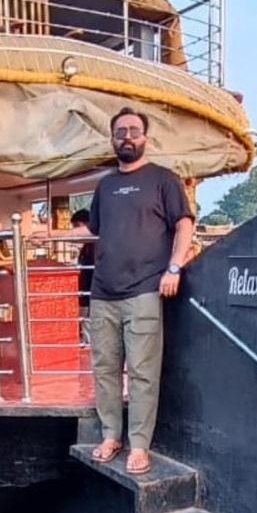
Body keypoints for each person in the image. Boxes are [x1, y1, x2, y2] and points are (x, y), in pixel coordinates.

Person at [87, 107, 195, 474]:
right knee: (104, 369)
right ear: (112, 139)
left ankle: (139, 445)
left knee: (142, 372)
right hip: (102, 292)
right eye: (120, 132)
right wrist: (47, 235)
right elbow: (97, 230)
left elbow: (184, 225)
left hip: (145, 290)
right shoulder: (105, 185)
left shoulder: (163, 179)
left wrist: (174, 267)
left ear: (145, 137)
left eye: (134, 130)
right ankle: (110, 436)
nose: (128, 137)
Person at [69, 207, 94, 345]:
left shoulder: (94, 246)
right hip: (86, 291)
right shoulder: (87, 247)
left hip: (90, 291)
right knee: (86, 321)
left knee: (88, 322)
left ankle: (88, 345)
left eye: (77, 226)